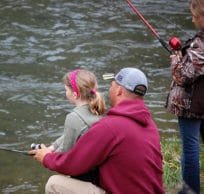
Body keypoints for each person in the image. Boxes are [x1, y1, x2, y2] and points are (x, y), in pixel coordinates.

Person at [29, 67, 164, 194]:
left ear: (119, 91)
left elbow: (72, 164)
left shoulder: (110, 127)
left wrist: (46, 157)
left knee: (54, 184)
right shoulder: (150, 125)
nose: (109, 90)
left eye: (111, 85)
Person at [165, 0, 204, 193]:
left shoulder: (200, 44)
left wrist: (176, 60)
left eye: (195, 16)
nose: (192, 19)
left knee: (190, 150)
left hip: (192, 105)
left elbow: (183, 76)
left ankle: (190, 191)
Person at [48, 69, 105, 153]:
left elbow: (65, 154)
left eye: (66, 90)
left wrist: (45, 156)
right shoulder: (96, 110)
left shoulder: (74, 118)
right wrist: (53, 147)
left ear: (75, 95)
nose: (65, 93)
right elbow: (71, 134)